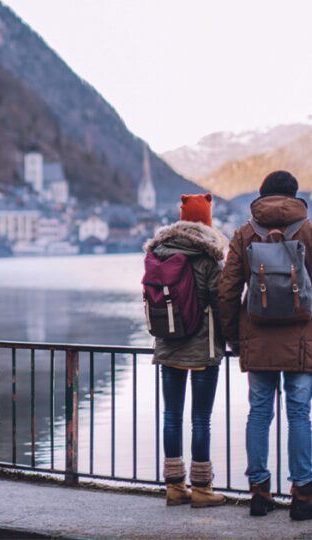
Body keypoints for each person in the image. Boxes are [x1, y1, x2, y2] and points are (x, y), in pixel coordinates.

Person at [218, 170, 312, 520]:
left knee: (259, 414)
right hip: (302, 339)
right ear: (294, 195)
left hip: (256, 337)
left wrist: (233, 337)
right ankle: (303, 495)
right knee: (299, 413)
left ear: (261, 195)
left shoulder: (245, 233)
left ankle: (259, 492)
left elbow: (227, 292)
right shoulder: (308, 229)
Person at [144, 193, 227, 507]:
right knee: (201, 420)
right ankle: (203, 489)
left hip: (167, 345)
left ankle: (174, 487)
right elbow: (221, 302)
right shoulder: (207, 257)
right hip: (203, 348)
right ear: (207, 220)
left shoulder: (159, 252)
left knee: (171, 417)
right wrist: (229, 339)